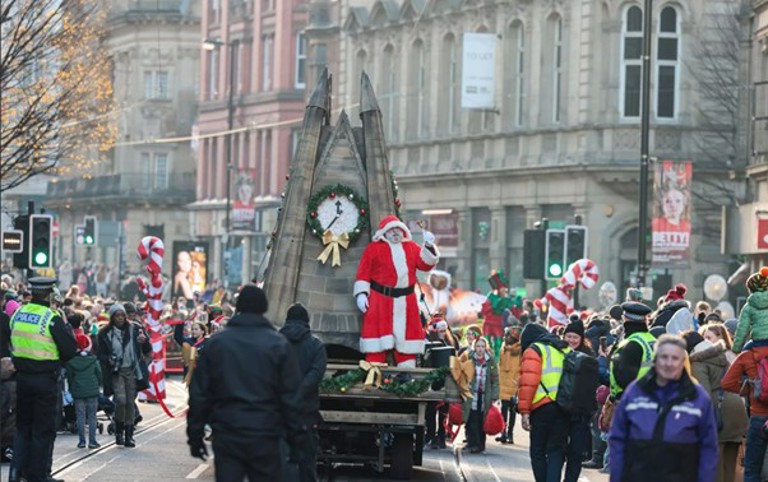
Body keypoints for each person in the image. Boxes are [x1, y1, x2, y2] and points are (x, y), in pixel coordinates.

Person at [187, 284, 306, 481]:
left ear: (238, 307)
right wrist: (296, 439)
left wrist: (195, 434)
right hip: (265, 433)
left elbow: (200, 393)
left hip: (228, 430)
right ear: (264, 308)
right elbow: (291, 397)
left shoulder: (217, 344)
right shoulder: (278, 345)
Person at [609, 334, 719, 482]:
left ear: (683, 362)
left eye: (675, 358)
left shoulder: (697, 398)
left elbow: (708, 447)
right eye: (664, 357)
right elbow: (618, 439)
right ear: (655, 360)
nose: (669, 363)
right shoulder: (635, 392)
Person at [1, 277, 78, 482]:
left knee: (23, 428)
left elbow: (11, 340)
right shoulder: (50, 318)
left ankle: (16, 473)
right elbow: (70, 349)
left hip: (22, 379)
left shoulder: (18, 314)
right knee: (43, 429)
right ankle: (38, 475)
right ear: (49, 293)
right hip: (45, 380)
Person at [354, 215, 439, 367]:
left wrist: (429, 246)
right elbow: (364, 272)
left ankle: (407, 377)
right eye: (391, 230)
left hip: (406, 302)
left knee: (406, 342)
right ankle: (373, 374)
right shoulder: (374, 248)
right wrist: (361, 293)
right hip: (380, 300)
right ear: (384, 232)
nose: (395, 233)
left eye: (398, 229)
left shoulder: (411, 247)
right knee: (376, 341)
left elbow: (425, 264)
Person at [681, 330, 748, 482]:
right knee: (730, 466)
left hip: (718, 416)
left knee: (715, 468)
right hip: (737, 409)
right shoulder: (723, 354)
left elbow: (703, 397)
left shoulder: (697, 362)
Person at [279, 303, 327, 482]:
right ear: (307, 322)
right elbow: (316, 373)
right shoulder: (316, 346)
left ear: (287, 320)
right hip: (306, 411)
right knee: (307, 460)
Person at [518, 323, 570, 482]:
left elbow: (528, 383)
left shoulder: (534, 350)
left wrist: (525, 412)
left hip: (541, 407)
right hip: (563, 407)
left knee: (538, 451)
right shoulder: (563, 348)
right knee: (556, 451)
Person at [97, 304, 151, 448]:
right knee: (120, 401)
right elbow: (100, 354)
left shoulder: (135, 329)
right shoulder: (104, 333)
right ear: (112, 317)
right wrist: (108, 359)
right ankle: (118, 431)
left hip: (132, 371)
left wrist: (143, 341)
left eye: (122, 315)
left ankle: (129, 435)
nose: (120, 318)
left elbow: (147, 348)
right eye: (117, 315)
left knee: (129, 402)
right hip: (116, 372)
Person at [722, 324, 768, 482]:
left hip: (758, 417)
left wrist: (749, 390)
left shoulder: (747, 355)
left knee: (752, 469)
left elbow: (727, 383)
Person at [561, 318, 596, 482]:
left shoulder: (589, 356)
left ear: (581, 339)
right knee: (558, 449)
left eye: (575, 337)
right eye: (568, 336)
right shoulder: (558, 353)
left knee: (575, 452)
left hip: (581, 411)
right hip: (560, 410)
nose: (571, 340)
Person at [609, 302, 656, 400]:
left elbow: (623, 377)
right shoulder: (652, 340)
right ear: (645, 321)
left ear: (624, 319)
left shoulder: (630, 344)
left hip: (629, 400)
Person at [461, 336, 499, 454]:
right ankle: (471, 443)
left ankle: (480, 444)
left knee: (482, 419)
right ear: (474, 347)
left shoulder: (490, 361)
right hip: (472, 394)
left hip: (484, 395)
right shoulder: (469, 358)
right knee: (471, 418)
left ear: (485, 347)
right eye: (478, 346)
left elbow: (495, 379)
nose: (480, 349)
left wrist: (494, 394)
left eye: (482, 346)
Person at [66, 332, 102, 449]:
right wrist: (98, 385)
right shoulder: (93, 360)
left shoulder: (71, 362)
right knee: (92, 416)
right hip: (92, 390)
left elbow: (70, 377)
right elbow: (99, 375)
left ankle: (81, 441)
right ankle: (92, 441)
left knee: (80, 416)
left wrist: (72, 388)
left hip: (78, 391)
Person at [732, 266, 768, 352]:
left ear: (751, 289)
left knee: (740, 362)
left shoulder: (748, 307)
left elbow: (742, 330)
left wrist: (736, 349)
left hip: (757, 343)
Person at [496, 325, 522, 445]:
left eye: (507, 335)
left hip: (514, 383)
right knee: (503, 409)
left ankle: (510, 433)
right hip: (504, 381)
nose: (505, 337)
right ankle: (503, 432)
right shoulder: (503, 348)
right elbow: (500, 365)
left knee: (512, 410)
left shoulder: (519, 350)